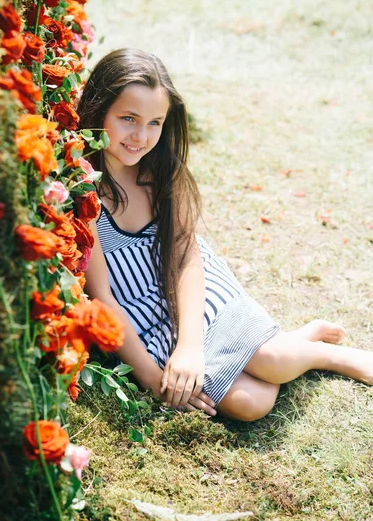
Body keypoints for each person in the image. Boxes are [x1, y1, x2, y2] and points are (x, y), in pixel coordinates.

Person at [78, 48, 372, 421]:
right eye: (128, 118)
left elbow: (185, 260)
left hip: (188, 287)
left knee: (274, 361)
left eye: (155, 122)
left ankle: (327, 356)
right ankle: (292, 342)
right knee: (250, 404)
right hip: (139, 315)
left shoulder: (161, 172)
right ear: (98, 109)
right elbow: (102, 297)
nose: (141, 135)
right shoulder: (84, 191)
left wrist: (190, 347)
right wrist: (151, 377)